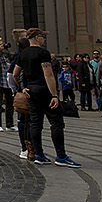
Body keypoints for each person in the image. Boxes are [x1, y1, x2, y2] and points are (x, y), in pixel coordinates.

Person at [17, 27, 80, 167]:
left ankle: (38, 154)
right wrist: (54, 95)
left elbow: (15, 73)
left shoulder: (23, 53)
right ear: (37, 37)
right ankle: (61, 156)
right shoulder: (43, 53)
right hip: (44, 90)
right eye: (43, 37)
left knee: (35, 123)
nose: (44, 40)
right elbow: (48, 74)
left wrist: (22, 88)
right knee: (56, 122)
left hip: (30, 92)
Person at [0, 38, 16, 132]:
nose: (2, 46)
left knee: (10, 103)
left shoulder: (6, 53)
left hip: (7, 81)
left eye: (2, 44)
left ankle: (9, 124)